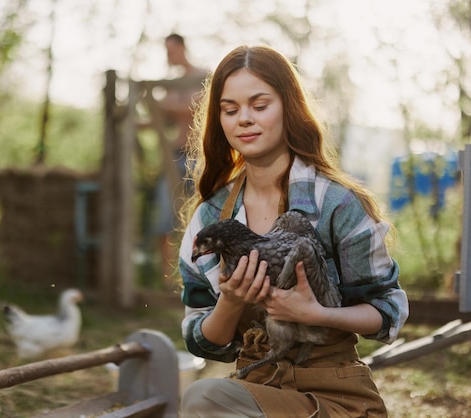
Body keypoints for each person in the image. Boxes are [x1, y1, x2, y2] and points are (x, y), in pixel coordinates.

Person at [177, 45, 409, 417]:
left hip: (335, 390)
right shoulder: (209, 218)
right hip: (259, 385)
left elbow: (387, 310)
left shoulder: (337, 204)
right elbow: (201, 340)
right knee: (203, 399)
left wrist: (318, 313)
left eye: (260, 105)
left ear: (288, 107)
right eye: (230, 109)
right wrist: (232, 302)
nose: (244, 119)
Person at [155, 33, 208, 289]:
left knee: (201, 217)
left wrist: (158, 105)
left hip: (199, 158)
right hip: (173, 157)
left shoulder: (202, 77)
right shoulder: (171, 84)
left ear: (183, 48)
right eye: (166, 51)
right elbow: (161, 117)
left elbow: (195, 107)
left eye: (171, 49)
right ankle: (169, 282)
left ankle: (200, 278)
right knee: (165, 219)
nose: (168, 55)